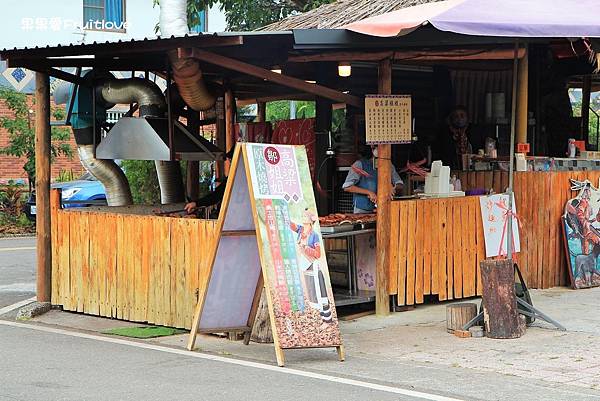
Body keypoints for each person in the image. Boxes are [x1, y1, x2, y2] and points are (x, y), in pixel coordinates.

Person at [290, 209, 333, 325]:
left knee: (320, 293)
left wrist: (306, 248)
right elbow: (290, 225)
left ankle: (327, 320)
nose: (303, 217)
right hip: (305, 267)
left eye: (306, 216)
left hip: (313, 266)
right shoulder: (300, 230)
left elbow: (318, 254)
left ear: (311, 220)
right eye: (303, 215)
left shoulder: (314, 235)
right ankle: (321, 319)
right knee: (313, 294)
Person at [342, 145, 403, 214]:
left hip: (385, 208)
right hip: (362, 210)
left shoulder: (389, 165)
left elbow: (400, 184)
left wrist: (393, 188)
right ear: (372, 150)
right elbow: (347, 187)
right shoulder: (359, 164)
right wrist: (369, 192)